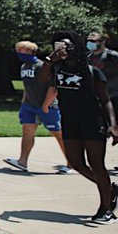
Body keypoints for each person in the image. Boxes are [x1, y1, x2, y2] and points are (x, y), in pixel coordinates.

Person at [49, 30, 117, 223]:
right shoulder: (57, 69)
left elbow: (105, 100)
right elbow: (42, 80)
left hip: (92, 121)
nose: (63, 49)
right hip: (70, 121)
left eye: (67, 46)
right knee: (76, 162)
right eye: (58, 45)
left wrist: (113, 125)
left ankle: (106, 210)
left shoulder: (92, 71)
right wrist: (49, 60)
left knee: (96, 164)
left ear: (76, 47)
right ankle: (110, 190)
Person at [3, 41, 72, 174]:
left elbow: (53, 88)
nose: (19, 53)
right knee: (27, 131)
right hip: (29, 105)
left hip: (47, 106)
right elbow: (26, 87)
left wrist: (46, 105)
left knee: (58, 134)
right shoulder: (24, 66)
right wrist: (24, 103)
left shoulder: (42, 66)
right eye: (18, 50)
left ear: (31, 51)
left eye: (22, 50)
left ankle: (72, 164)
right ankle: (22, 161)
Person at [87, 32, 118, 146]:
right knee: (100, 129)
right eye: (88, 41)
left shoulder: (112, 56)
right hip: (98, 99)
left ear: (102, 42)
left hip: (114, 96)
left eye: (93, 41)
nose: (90, 43)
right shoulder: (88, 58)